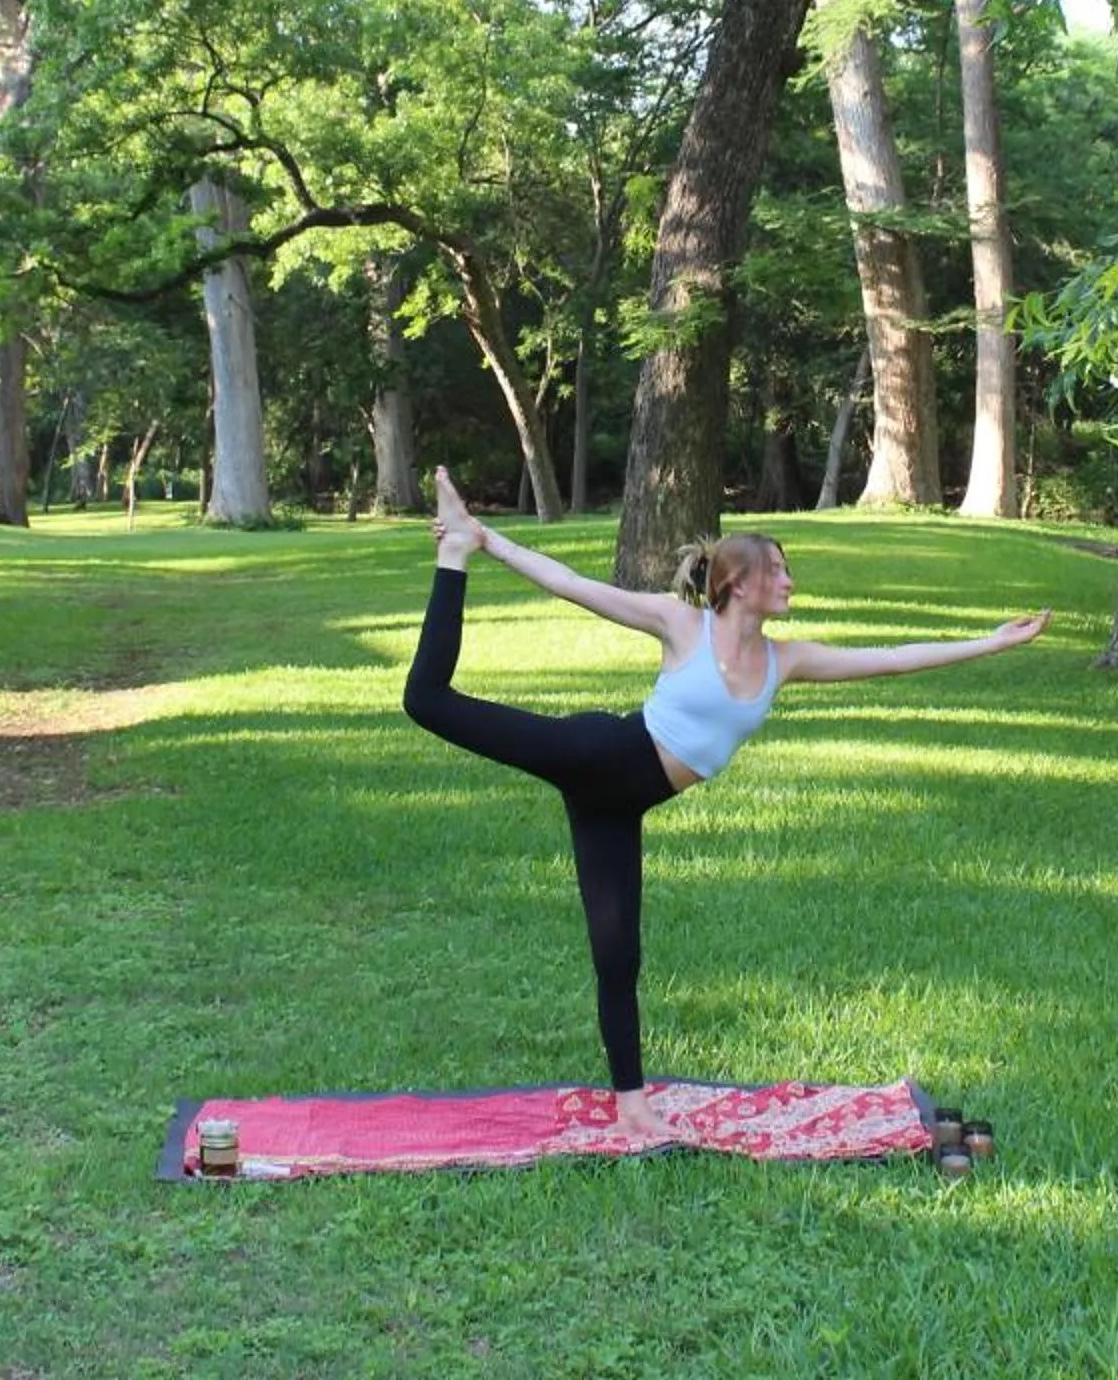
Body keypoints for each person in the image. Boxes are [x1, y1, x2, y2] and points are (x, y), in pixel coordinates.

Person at [405, 465, 1050, 1146]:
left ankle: (632, 1108)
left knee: (618, 955)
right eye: (780, 571)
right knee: (428, 701)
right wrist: (485, 541)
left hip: (617, 809)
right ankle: (453, 557)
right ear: (740, 582)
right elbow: (571, 585)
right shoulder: (680, 625)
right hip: (595, 753)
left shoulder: (786, 660)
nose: (791, 583)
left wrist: (992, 641)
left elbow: (890, 658)